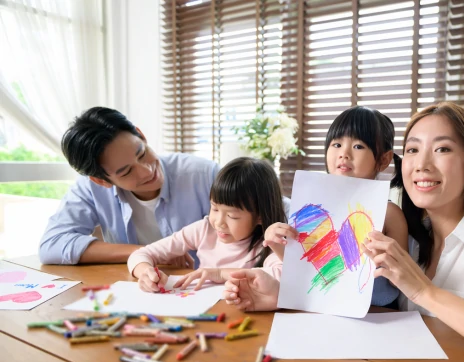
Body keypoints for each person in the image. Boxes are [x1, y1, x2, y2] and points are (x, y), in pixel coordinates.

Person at [222, 102, 464, 362]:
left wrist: (424, 291)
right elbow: (354, 293)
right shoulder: (414, 231)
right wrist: (281, 294)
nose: (422, 164)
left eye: (443, 150)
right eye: (414, 150)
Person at [262, 106, 409, 308]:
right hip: (319, 308)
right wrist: (275, 242)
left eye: (358, 146)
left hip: (377, 314)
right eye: (337, 144)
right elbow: (303, 269)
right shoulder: (310, 210)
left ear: (383, 159)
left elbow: (403, 280)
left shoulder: (390, 213)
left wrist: (383, 260)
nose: (344, 154)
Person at [39, 107, 219, 267]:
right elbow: (52, 243)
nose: (146, 171)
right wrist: (150, 252)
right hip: (139, 289)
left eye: (142, 153)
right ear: (101, 181)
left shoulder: (205, 175)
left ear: (141, 135)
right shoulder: (91, 189)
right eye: (126, 172)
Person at [128, 157, 287, 293]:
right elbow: (141, 254)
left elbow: (281, 277)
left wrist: (219, 274)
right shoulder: (204, 230)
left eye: (231, 215)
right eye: (215, 208)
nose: (219, 222)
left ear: (259, 216)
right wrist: (145, 272)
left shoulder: (268, 244)